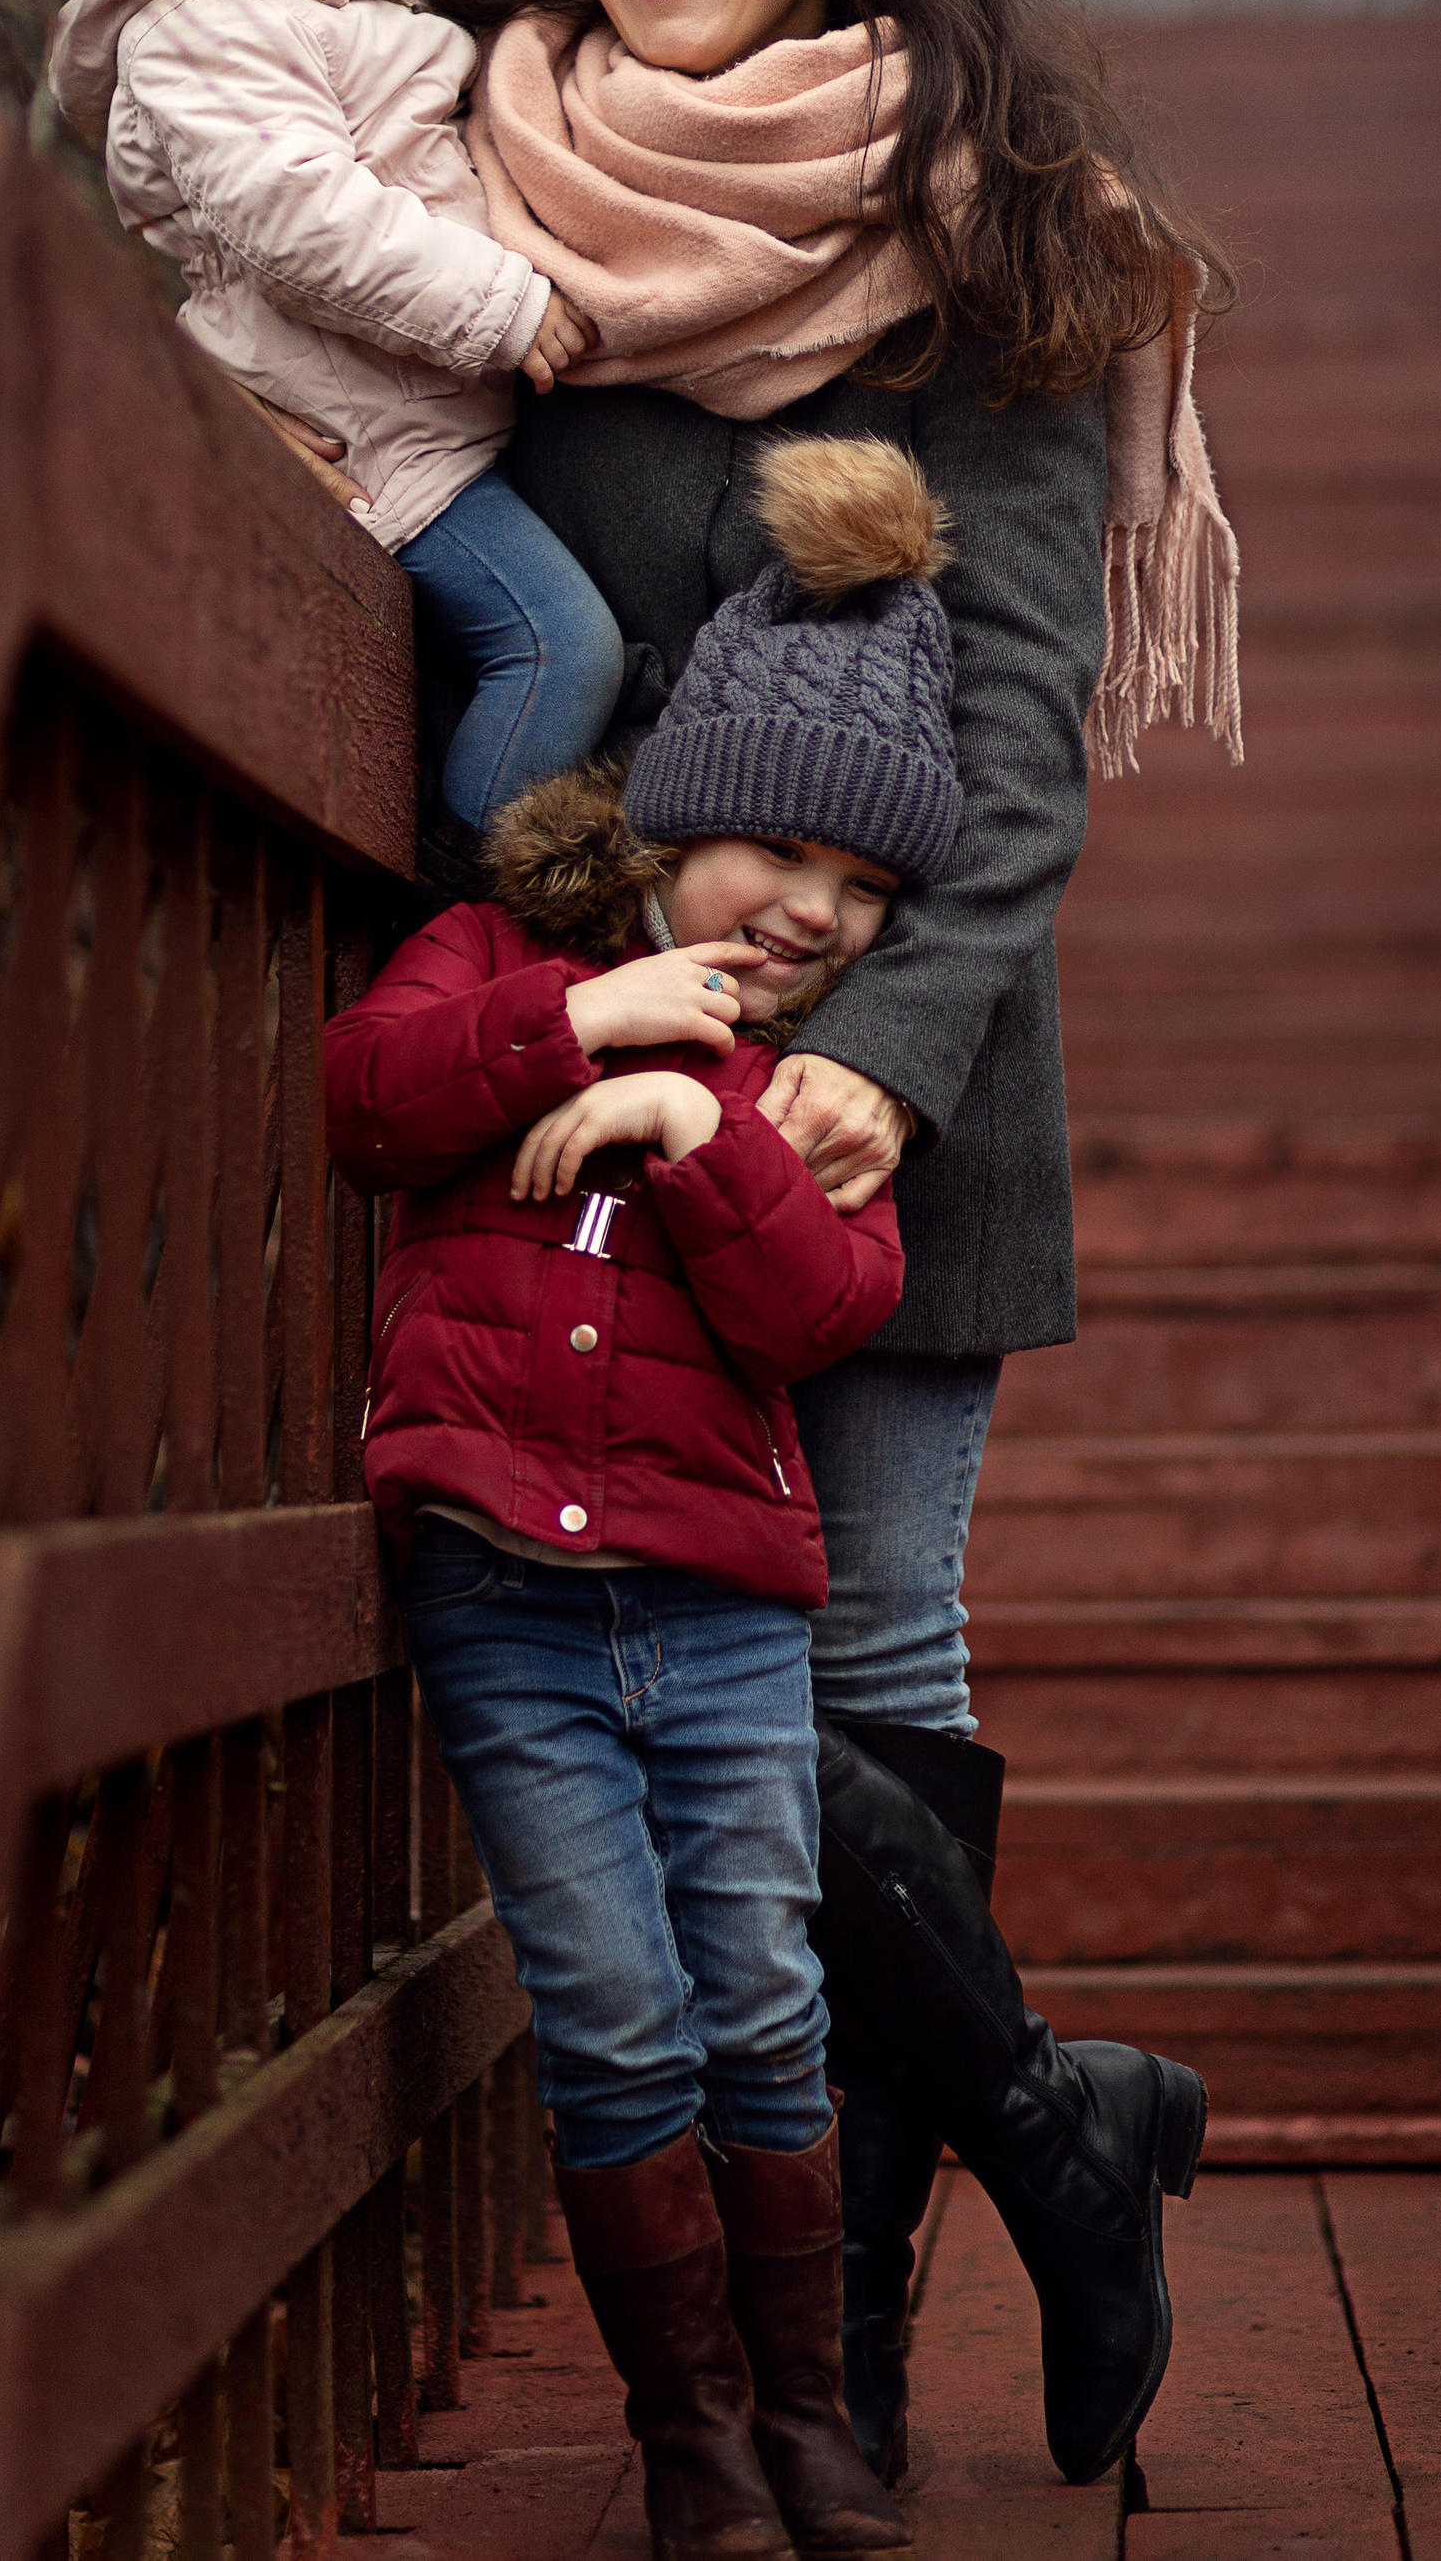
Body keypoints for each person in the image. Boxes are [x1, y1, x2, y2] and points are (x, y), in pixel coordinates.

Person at [411, 0, 1241, 2493]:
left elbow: (1019, 733)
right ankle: (1051, 2116)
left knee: (860, 1666)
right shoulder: (486, 191)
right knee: (688, 1733)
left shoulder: (999, 234)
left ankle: (849, 2366)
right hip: (581, 1106)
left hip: (909, 1084)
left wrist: (872, 1053)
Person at [327, 438, 1009, 2561]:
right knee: (609, 2009)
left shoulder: (815, 1103)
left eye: (864, 892)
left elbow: (821, 1308)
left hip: (721, 1612)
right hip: (502, 1602)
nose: (810, 911)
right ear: (671, 812)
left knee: (758, 1993)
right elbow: (369, 1095)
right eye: (776, 851)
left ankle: (809, 2416)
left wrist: (679, 1115)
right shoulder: (496, 959)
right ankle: (692, 2436)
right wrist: (575, 1024)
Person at [0, 0, 622, 863]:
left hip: (427, 420)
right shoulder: (208, 24)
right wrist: (500, 301)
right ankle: (452, 917)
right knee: (563, 649)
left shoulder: (380, 12)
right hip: (366, 439)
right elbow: (298, 210)